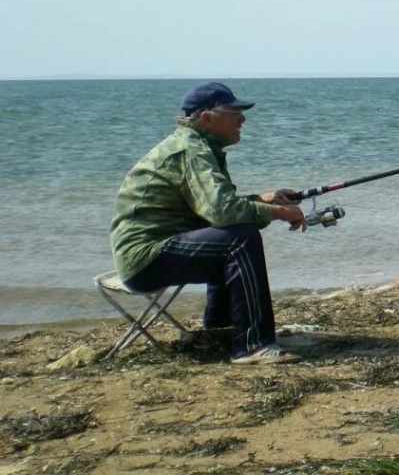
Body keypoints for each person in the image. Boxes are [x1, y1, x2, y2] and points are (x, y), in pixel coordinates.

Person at [110, 82, 307, 365]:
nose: (243, 119)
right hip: (145, 260)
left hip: (153, 253)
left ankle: (219, 333)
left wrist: (264, 200)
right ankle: (253, 346)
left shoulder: (198, 146)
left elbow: (211, 210)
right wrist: (278, 212)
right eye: (234, 112)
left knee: (229, 237)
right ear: (206, 118)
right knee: (240, 237)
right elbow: (222, 211)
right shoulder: (191, 150)